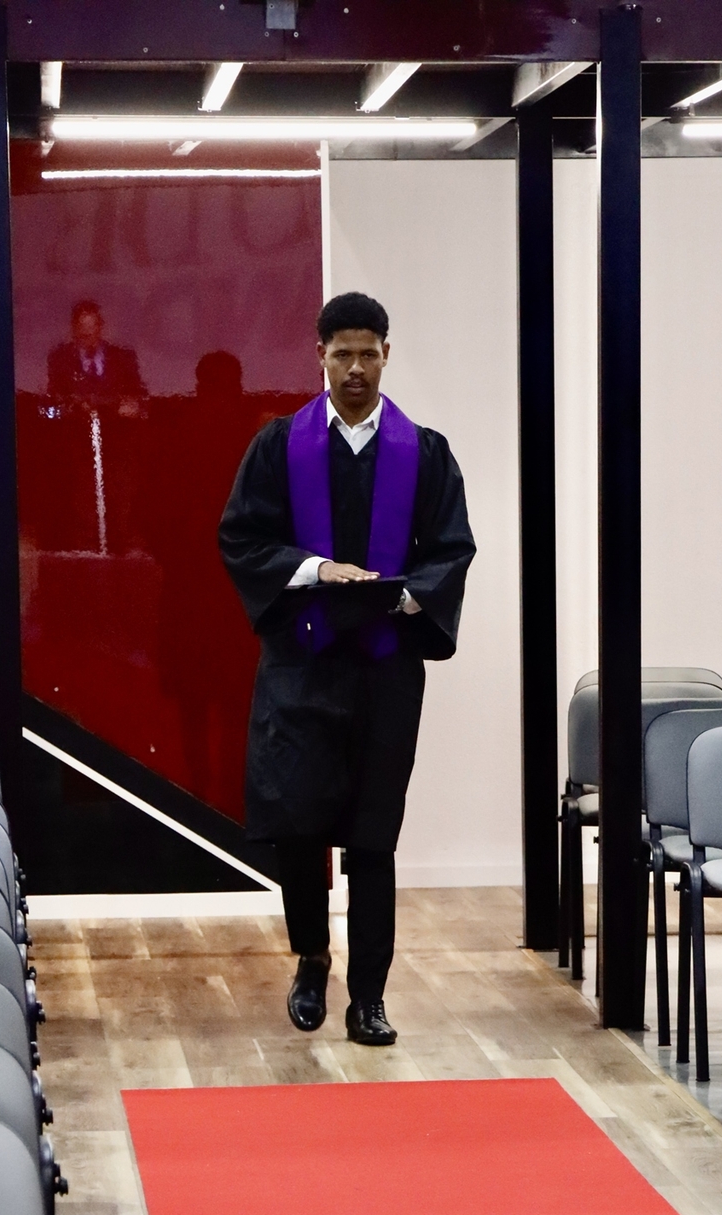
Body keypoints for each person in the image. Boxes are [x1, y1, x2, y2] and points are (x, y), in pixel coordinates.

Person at [218, 291, 475, 1045]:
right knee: (298, 825)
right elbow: (242, 538)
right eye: (342, 355)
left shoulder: (423, 453)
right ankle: (311, 957)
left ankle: (369, 998)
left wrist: (400, 596)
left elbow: (452, 549)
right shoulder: (281, 446)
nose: (355, 368)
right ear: (320, 356)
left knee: (372, 836)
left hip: (384, 670)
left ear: (387, 354)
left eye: (368, 353)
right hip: (303, 664)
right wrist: (318, 570)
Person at [46, 300, 147, 553]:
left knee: (121, 506)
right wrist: (71, 408)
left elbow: (138, 397)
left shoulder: (123, 358)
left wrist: (125, 407)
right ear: (74, 330)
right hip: (80, 450)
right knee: (83, 508)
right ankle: (88, 554)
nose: (87, 339)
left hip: (117, 448)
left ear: (101, 328)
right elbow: (52, 403)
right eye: (82, 333)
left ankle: (121, 556)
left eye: (92, 332)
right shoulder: (60, 360)